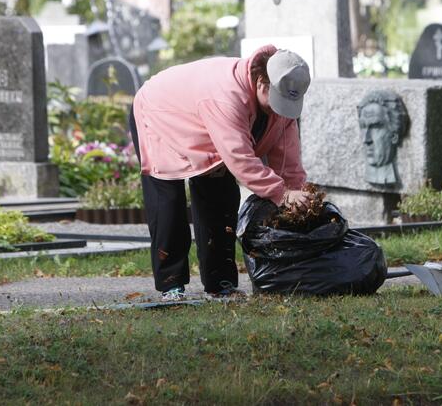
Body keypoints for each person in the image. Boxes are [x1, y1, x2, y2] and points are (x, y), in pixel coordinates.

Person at [129, 45, 313, 301]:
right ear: (261, 81)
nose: (278, 109)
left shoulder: (282, 104)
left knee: (221, 199)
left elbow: (288, 158)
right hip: (160, 112)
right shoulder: (227, 95)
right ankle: (171, 284)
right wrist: (281, 194)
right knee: (168, 204)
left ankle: (220, 283)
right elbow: (240, 158)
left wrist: (295, 192)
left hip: (207, 124)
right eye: (275, 101)